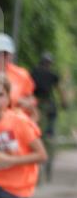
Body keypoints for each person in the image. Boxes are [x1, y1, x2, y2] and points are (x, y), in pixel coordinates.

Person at [31, 53, 67, 182]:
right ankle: (50, 133)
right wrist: (64, 103)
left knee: (34, 133)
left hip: (35, 105)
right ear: (50, 63)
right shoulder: (53, 75)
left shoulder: (33, 72)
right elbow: (60, 90)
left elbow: (28, 88)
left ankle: (36, 135)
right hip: (48, 105)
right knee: (50, 132)